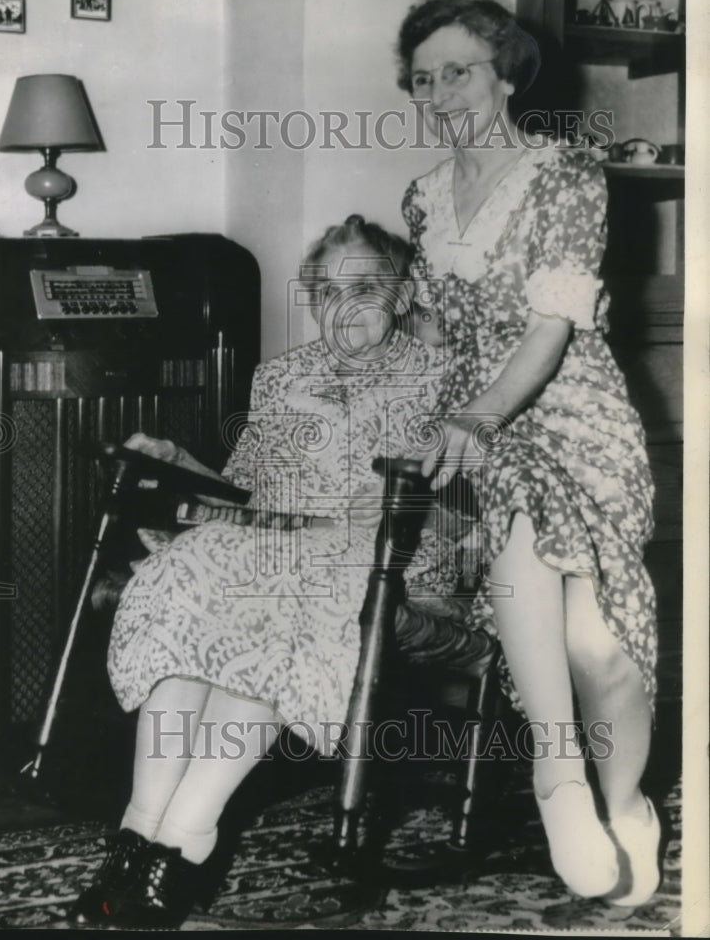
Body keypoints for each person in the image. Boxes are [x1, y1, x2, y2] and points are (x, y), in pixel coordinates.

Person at [71, 215, 447, 929]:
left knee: (282, 597)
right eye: (325, 292)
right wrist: (179, 461)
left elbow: (446, 490)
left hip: (374, 545)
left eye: (366, 288)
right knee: (189, 575)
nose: (345, 309)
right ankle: (137, 836)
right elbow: (245, 489)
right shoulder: (281, 377)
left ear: (402, 297)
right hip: (278, 536)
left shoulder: (436, 377)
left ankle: (185, 835)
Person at [396, 0, 660, 905]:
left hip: (575, 416)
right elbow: (432, 332)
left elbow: (551, 330)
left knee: (602, 649)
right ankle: (559, 783)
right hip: (481, 430)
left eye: (458, 70)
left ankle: (624, 800)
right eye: (423, 78)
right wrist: (428, 415)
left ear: (506, 73)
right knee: (504, 498)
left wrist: (477, 416)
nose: (439, 91)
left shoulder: (568, 177)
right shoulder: (424, 197)